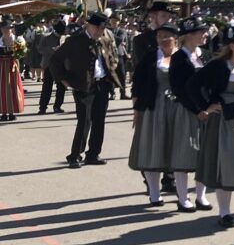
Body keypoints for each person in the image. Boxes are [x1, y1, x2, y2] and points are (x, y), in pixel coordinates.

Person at [190, 26, 234, 227]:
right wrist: (206, 106)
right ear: (232, 45)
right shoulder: (219, 66)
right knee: (223, 166)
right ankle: (224, 212)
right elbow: (192, 85)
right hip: (223, 123)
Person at [50, 12, 120, 168]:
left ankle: (93, 154)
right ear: (89, 25)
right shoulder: (75, 40)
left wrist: (112, 68)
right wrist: (63, 79)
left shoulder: (104, 40)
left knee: (99, 120)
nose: (100, 32)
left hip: (102, 84)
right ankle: (75, 155)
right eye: (98, 28)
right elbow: (55, 60)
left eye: (103, 29)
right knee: (84, 121)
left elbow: (111, 57)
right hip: (83, 85)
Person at [128, 23, 179, 206]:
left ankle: (181, 193)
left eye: (167, 36)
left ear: (175, 38)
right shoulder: (150, 57)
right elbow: (137, 84)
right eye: (159, 36)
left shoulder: (183, 57)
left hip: (178, 110)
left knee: (175, 150)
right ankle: (154, 193)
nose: (163, 40)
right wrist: (136, 110)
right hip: (153, 108)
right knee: (152, 150)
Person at [168, 17, 211, 213]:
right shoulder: (179, 58)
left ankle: (201, 196)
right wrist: (197, 109)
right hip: (188, 111)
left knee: (205, 154)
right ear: (189, 35)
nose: (205, 34)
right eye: (201, 31)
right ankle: (183, 197)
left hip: (208, 111)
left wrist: (210, 106)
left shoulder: (207, 55)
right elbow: (178, 89)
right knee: (184, 154)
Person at [36, 21, 67, 115]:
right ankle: (42, 107)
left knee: (61, 86)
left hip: (61, 65)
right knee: (47, 87)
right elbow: (40, 49)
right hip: (48, 65)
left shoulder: (65, 37)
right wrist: (52, 49)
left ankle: (57, 106)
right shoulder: (46, 37)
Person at [0, 22, 25, 121]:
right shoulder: (0, 40)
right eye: (4, 28)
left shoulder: (18, 39)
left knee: (12, 88)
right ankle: (3, 113)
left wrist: (17, 54)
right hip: (1, 66)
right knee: (2, 89)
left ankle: (11, 112)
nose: (6, 30)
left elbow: (21, 53)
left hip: (12, 66)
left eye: (9, 28)